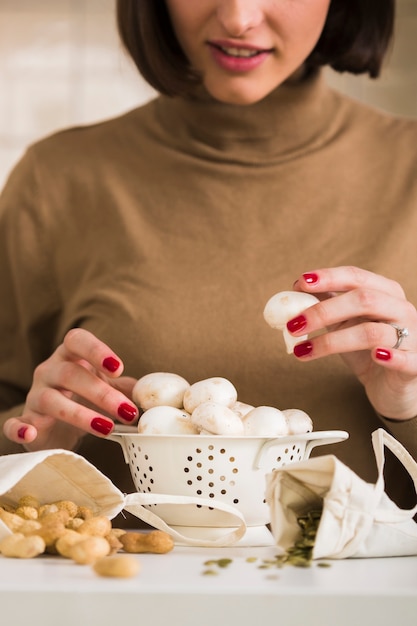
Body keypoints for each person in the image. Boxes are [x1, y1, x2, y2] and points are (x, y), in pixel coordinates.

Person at [1, 0, 417, 518]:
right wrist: (31, 448)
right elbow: (14, 424)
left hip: (370, 598)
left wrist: (408, 407)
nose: (240, 18)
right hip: (120, 588)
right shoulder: (56, 179)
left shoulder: (409, 170)